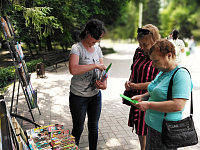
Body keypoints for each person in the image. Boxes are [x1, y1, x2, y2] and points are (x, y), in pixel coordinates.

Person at [132, 39, 193, 150]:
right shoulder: (163, 71)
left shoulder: (181, 75)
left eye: (156, 61)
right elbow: (156, 90)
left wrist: (148, 105)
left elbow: (178, 105)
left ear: (169, 56)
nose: (153, 65)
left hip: (166, 130)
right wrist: (143, 97)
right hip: (153, 126)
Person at [68, 19, 107, 150]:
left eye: (99, 38)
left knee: (94, 128)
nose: (97, 41)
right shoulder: (77, 48)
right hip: (78, 96)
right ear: (87, 33)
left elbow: (103, 69)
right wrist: (94, 65)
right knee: (78, 128)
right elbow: (73, 69)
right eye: (96, 38)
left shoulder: (97, 49)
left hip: (95, 96)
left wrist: (104, 83)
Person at [124, 24, 160, 150]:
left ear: (154, 41)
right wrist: (129, 83)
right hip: (136, 95)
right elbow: (133, 68)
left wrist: (136, 85)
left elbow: (158, 82)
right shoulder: (138, 51)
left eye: (145, 44)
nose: (142, 47)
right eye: (140, 44)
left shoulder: (158, 54)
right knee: (140, 127)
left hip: (151, 97)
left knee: (149, 128)